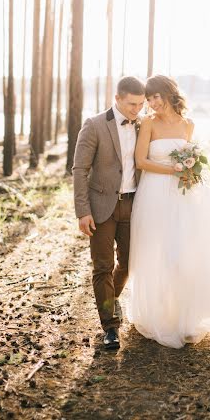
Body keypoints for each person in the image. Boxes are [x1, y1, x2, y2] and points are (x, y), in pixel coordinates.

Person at [127, 75, 210, 349]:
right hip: (154, 194)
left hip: (183, 196)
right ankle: (159, 315)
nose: (152, 103)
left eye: (155, 97)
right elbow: (141, 161)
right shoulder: (148, 123)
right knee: (159, 253)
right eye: (148, 99)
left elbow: (190, 158)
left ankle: (184, 316)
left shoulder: (188, 124)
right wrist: (173, 169)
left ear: (168, 93)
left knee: (184, 253)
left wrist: (189, 171)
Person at [72, 76, 145, 349]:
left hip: (134, 204)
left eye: (140, 104)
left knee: (128, 263)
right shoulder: (94, 125)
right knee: (102, 267)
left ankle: (111, 299)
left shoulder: (142, 125)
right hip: (101, 207)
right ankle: (110, 327)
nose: (137, 109)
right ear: (117, 99)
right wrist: (83, 211)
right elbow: (80, 170)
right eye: (131, 104)